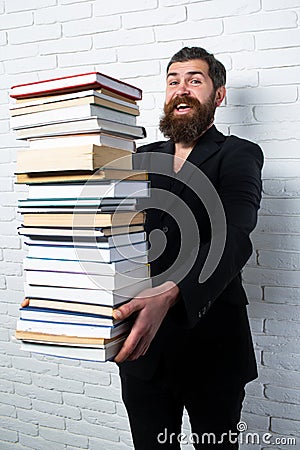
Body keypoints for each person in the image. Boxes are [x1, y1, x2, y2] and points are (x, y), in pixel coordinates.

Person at [112, 46, 264, 449]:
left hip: (213, 348)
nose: (182, 89)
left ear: (218, 95)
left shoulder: (238, 154)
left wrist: (172, 290)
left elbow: (236, 234)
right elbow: (107, 233)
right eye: (173, 80)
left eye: (195, 80)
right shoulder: (139, 158)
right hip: (142, 350)